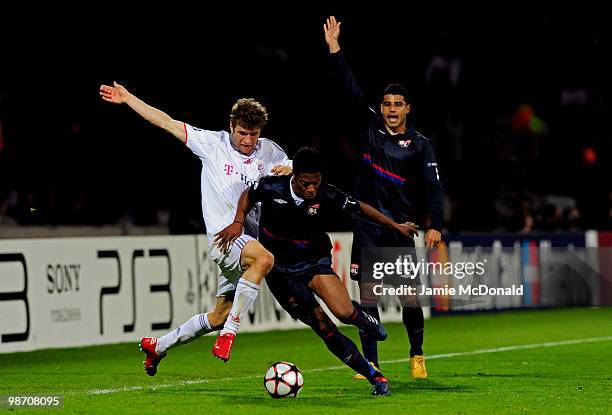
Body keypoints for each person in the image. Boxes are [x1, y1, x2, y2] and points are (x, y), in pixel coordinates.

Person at [99, 81, 292, 373]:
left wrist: (290, 168)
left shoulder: (269, 152)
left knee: (217, 316)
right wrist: (129, 99)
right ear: (231, 126)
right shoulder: (212, 144)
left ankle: (158, 346)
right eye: (242, 133)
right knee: (264, 259)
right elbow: (165, 121)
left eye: (253, 134)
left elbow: (297, 170)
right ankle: (231, 333)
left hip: (245, 243)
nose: (248, 141)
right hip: (224, 241)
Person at [216, 147, 419, 396]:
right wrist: (238, 221)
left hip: (314, 262)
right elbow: (248, 195)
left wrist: (395, 226)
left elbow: (361, 208)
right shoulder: (272, 187)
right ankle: (374, 376)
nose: (311, 189)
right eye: (305, 184)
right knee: (323, 326)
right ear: (294, 176)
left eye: (315, 182)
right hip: (281, 274)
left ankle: (363, 320)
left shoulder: (327, 194)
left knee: (344, 312)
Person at [323, 16, 444, 379]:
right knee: (369, 298)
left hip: (401, 230)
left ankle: (417, 354)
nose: (391, 109)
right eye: (387, 103)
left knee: (410, 299)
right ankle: (371, 363)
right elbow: (349, 89)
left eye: (398, 104)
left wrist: (435, 224)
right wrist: (334, 48)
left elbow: (433, 188)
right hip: (367, 227)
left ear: (408, 108)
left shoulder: (420, 145)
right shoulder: (371, 129)